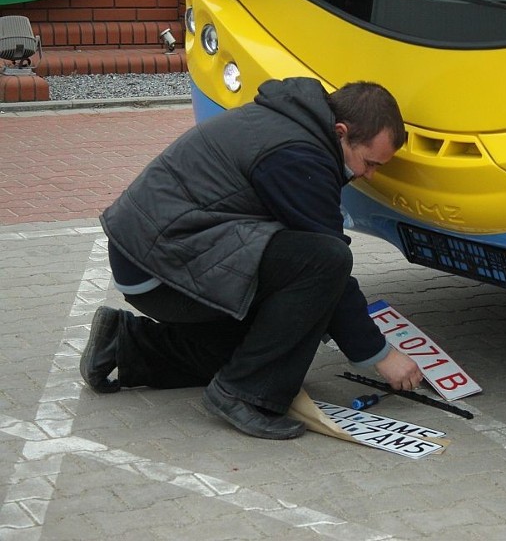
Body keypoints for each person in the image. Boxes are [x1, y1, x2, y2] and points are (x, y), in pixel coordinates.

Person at [80, 77, 423, 440]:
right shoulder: (298, 153)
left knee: (263, 343)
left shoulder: (290, 124)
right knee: (325, 262)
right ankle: (245, 393)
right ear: (341, 132)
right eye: (369, 163)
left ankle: (125, 343)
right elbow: (327, 266)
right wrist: (379, 354)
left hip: (151, 255)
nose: (368, 175)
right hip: (163, 266)